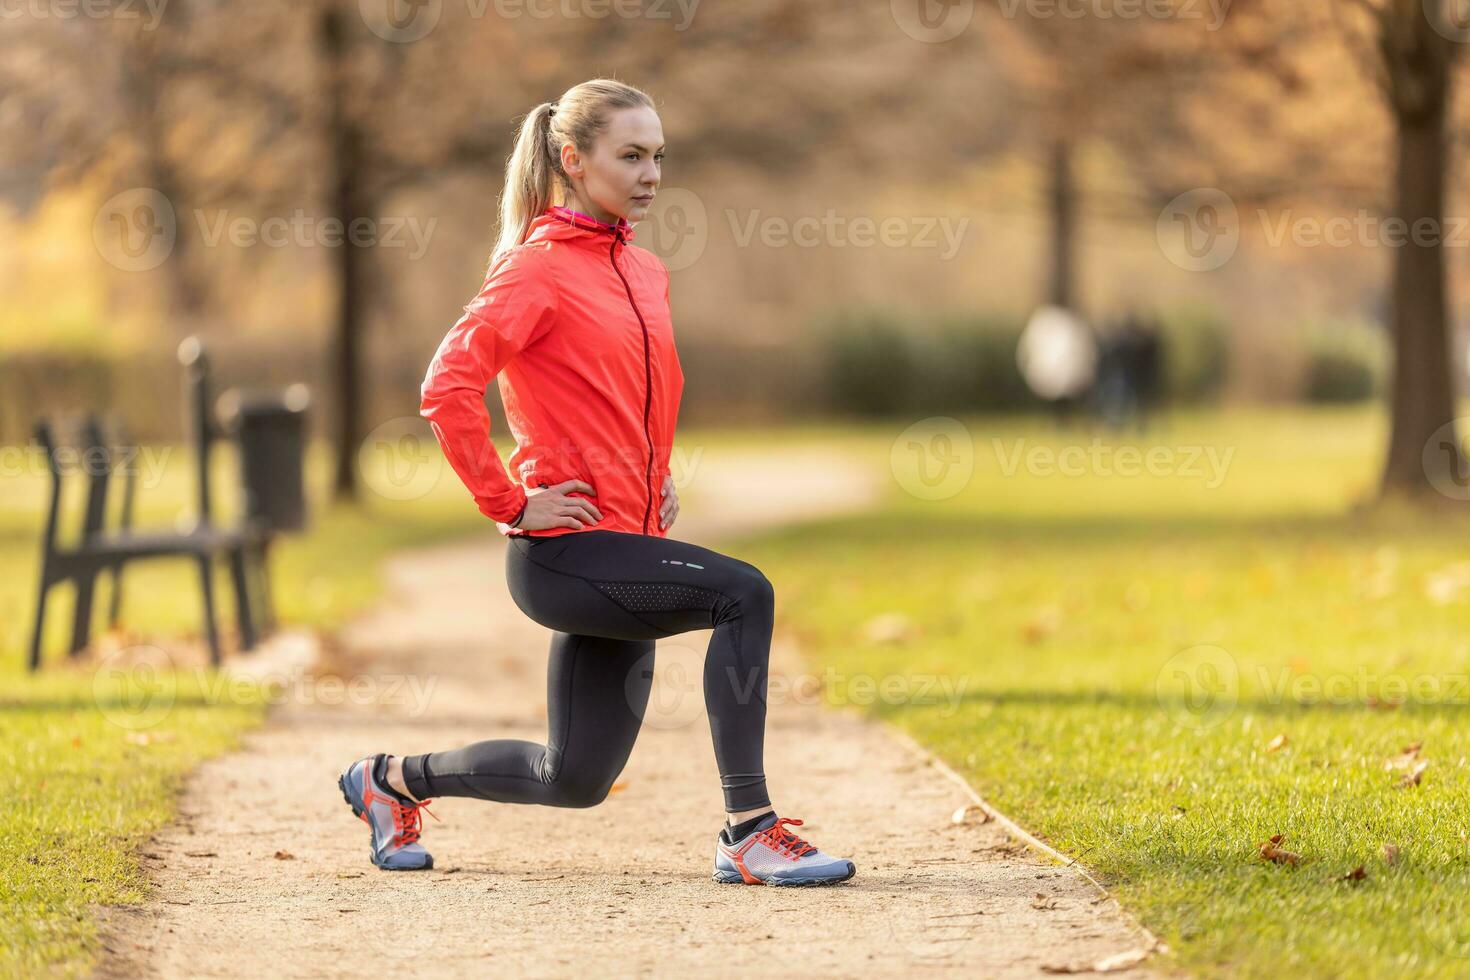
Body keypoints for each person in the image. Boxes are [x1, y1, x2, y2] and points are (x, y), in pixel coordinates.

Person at [335, 79, 856, 887]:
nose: (651, 174)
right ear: (573, 160)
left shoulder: (645, 270)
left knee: (571, 778)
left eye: (658, 157)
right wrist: (509, 503)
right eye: (632, 155)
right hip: (565, 553)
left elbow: (617, 394)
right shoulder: (534, 271)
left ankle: (390, 780)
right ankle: (748, 829)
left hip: (629, 540)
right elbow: (446, 388)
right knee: (743, 593)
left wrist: (656, 480)